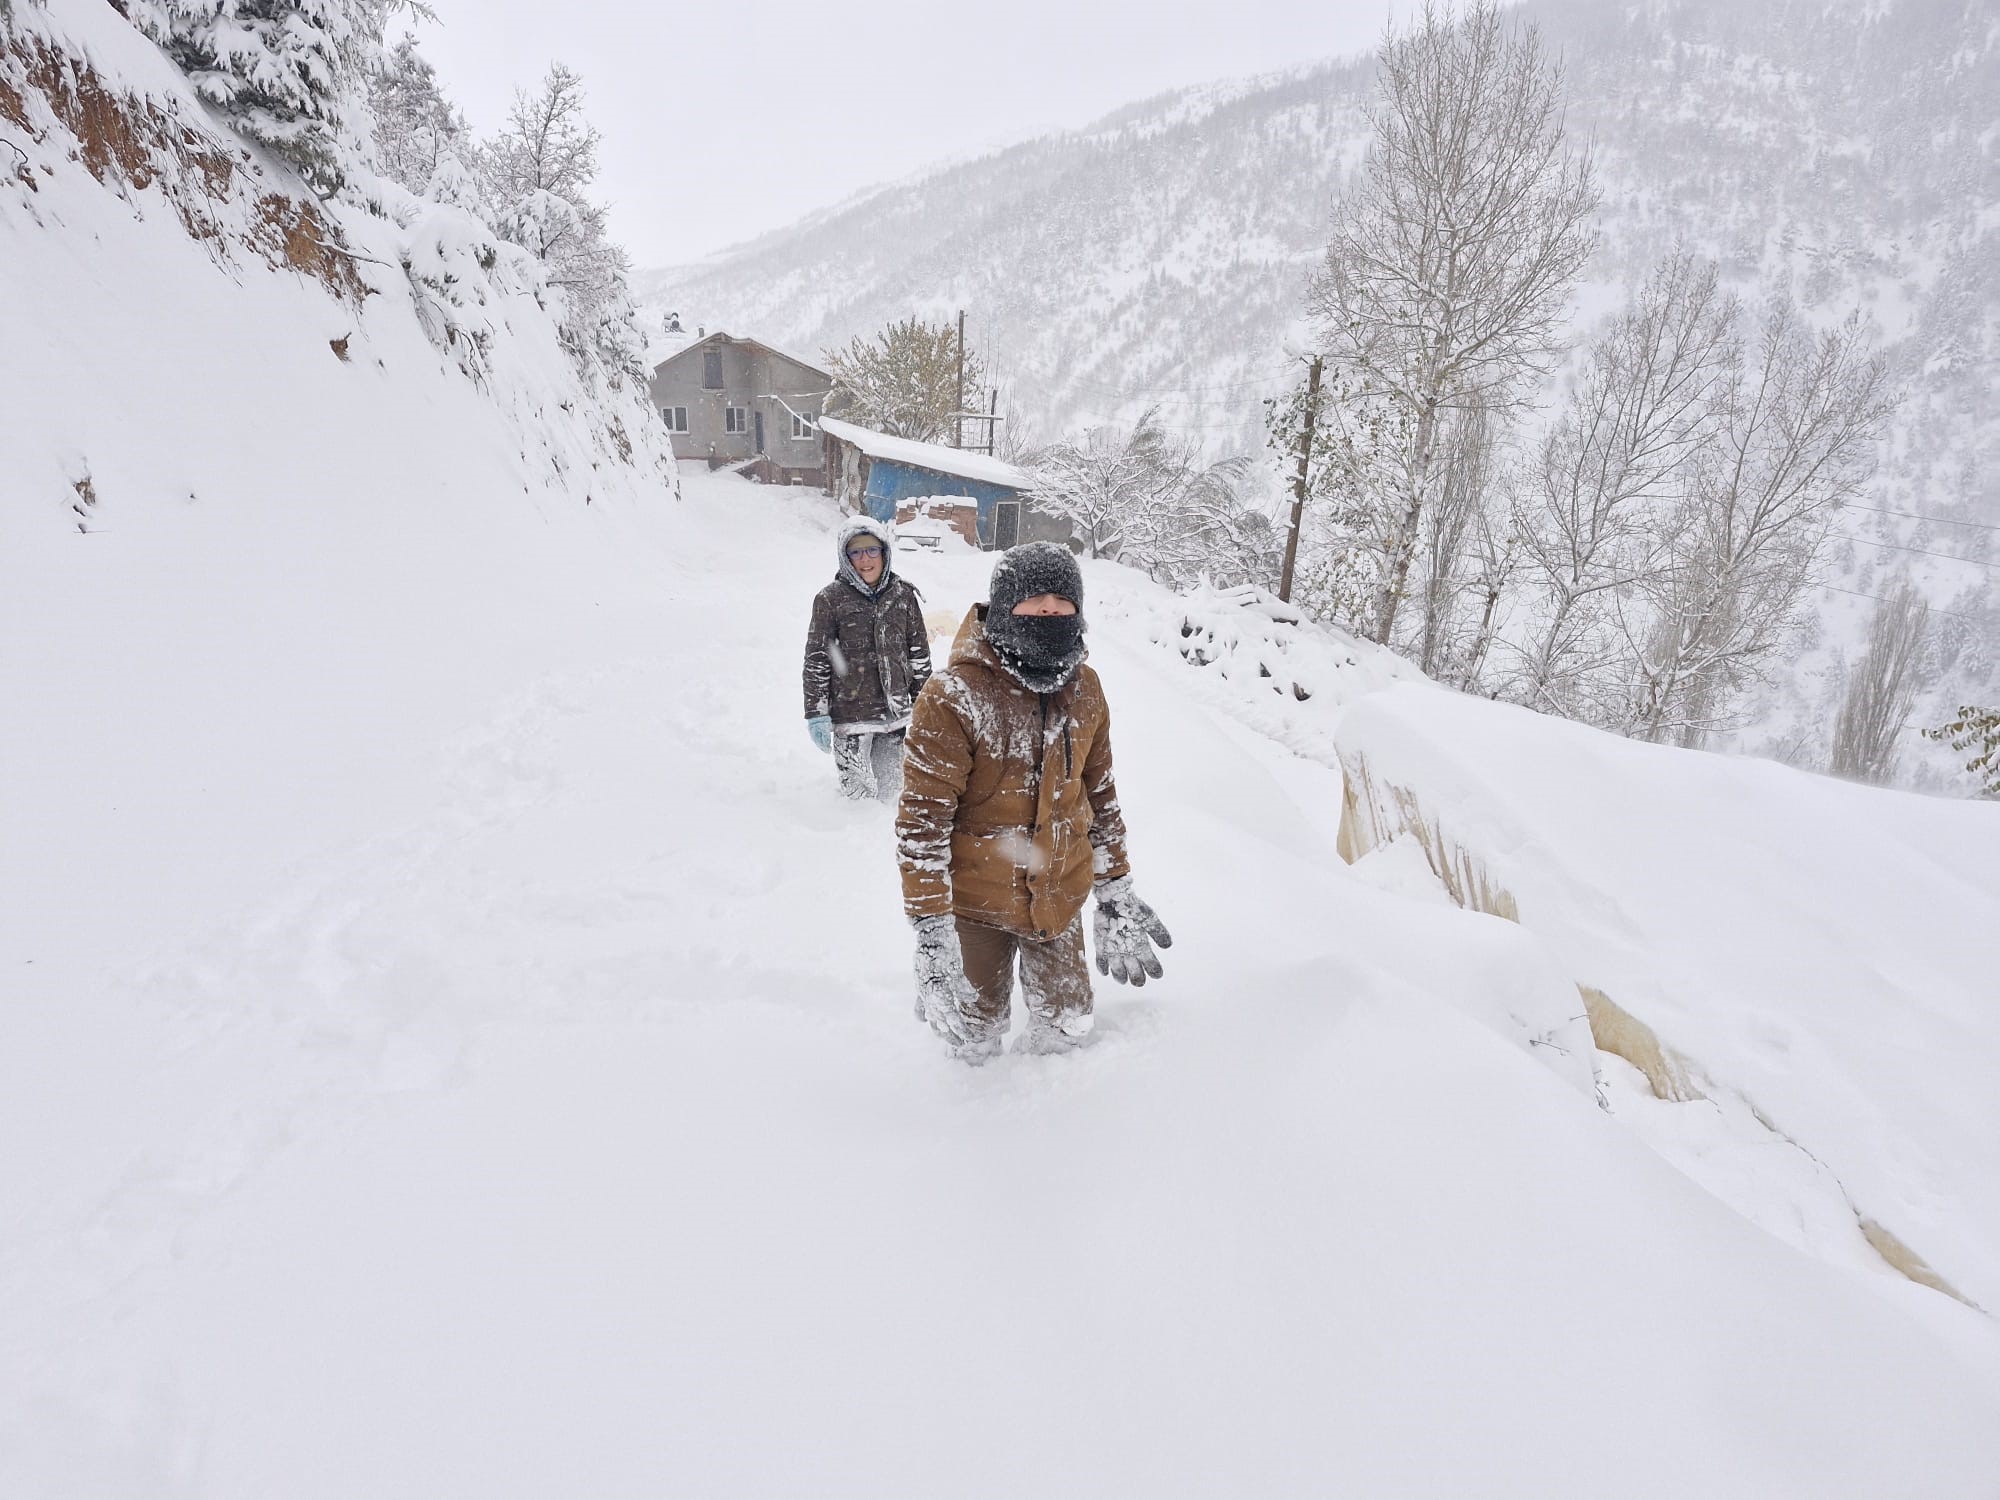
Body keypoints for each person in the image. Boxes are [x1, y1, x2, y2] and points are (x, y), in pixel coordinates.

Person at [895, 541, 1172, 1062]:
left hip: (1058, 898)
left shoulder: (1087, 688)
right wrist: (932, 932)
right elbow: (922, 828)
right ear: (1004, 607)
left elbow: (1100, 796)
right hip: (973, 907)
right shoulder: (954, 696)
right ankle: (975, 1116)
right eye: (1034, 597)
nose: (1050, 608)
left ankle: (1051, 1117)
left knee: (1069, 1028)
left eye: (1062, 599)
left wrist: (1114, 889)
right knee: (971, 1031)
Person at [803, 516, 933, 801]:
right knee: (858, 802)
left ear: (884, 552)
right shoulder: (830, 600)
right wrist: (816, 713)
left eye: (872, 550)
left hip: (894, 714)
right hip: (851, 718)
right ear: (845, 556)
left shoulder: (903, 595)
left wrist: (925, 704)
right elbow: (817, 660)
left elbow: (919, 654)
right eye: (856, 552)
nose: (865, 559)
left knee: (892, 797)